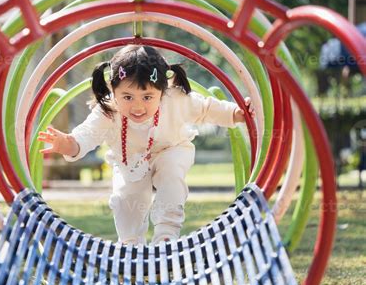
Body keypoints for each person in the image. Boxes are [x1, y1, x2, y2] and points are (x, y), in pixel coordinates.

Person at [38, 45, 254, 245]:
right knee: (126, 201)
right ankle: (131, 244)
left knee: (171, 174)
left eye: (148, 96)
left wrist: (236, 113)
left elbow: (207, 109)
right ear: (113, 91)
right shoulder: (108, 111)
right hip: (128, 160)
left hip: (172, 149)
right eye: (128, 97)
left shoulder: (176, 99)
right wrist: (68, 144)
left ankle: (166, 236)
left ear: (163, 90)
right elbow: (86, 135)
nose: (138, 106)